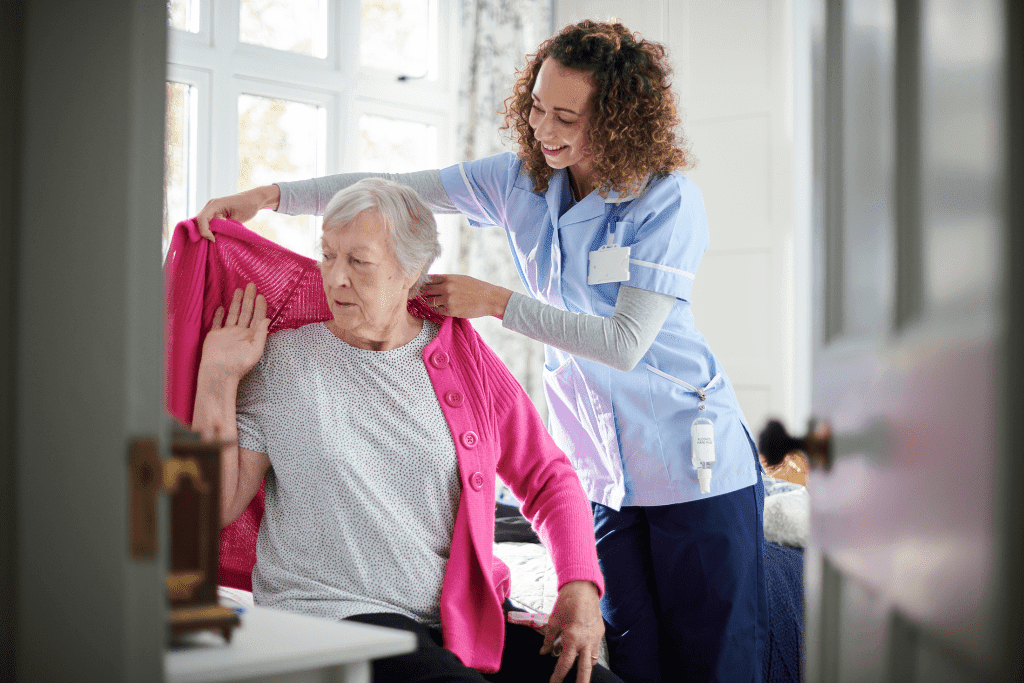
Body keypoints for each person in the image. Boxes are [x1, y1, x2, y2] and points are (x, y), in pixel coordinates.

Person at [196, 21, 767, 683]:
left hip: (691, 458)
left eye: (566, 117)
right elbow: (394, 185)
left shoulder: (666, 202)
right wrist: (270, 196)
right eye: (536, 107)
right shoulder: (519, 181)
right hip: (607, 469)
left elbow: (624, 344)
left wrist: (495, 301)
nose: (544, 129)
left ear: (614, 122)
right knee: (636, 659)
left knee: (715, 663)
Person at [190, 178, 621, 683]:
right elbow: (212, 507)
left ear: (411, 270)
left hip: (457, 623)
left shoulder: (461, 356)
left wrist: (579, 586)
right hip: (335, 615)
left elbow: (548, 474)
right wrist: (217, 378)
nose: (336, 278)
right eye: (328, 255)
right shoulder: (286, 361)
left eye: (359, 261)